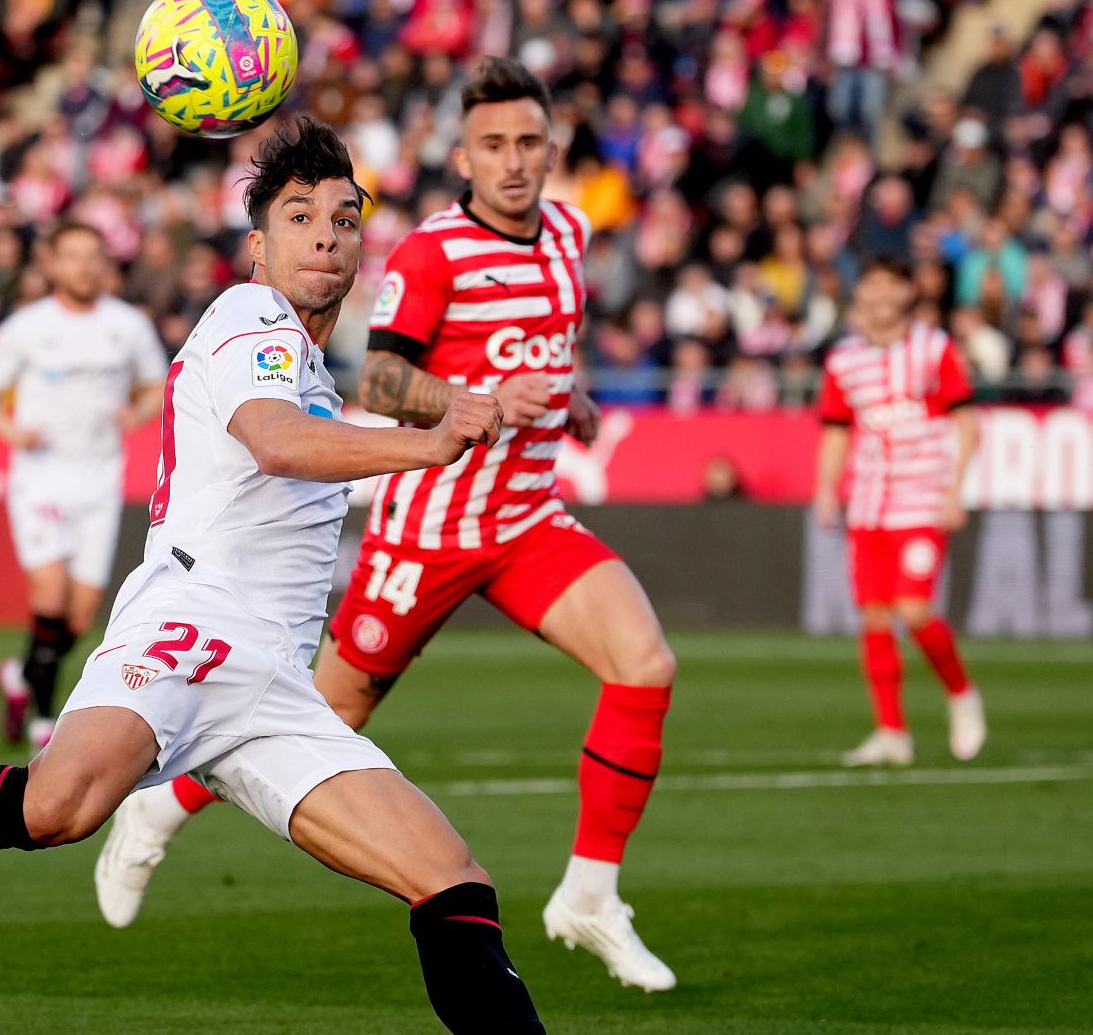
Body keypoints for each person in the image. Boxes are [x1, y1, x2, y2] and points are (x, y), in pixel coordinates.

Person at [0, 117, 546, 1034]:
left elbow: (303, 430)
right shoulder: (248, 316)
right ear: (259, 245)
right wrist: (430, 442)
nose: (327, 235)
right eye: (300, 217)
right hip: (190, 627)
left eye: (343, 218)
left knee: (453, 881)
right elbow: (276, 442)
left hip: (272, 686)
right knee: (58, 808)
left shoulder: (311, 365)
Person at [94, 58, 680, 994]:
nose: (514, 161)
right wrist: (479, 401)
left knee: (645, 666)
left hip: (525, 515)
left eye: (529, 142)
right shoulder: (432, 252)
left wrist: (566, 402)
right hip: (430, 528)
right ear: (462, 156)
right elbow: (381, 383)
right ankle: (158, 813)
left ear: (552, 150)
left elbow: (539, 354)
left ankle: (592, 896)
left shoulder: (569, 231)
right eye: (494, 145)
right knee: (321, 712)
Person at [0, 223, 168, 751]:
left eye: (92, 257)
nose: (83, 267)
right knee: (50, 597)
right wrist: (13, 432)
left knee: (79, 614)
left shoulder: (127, 326)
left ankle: (20, 674)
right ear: (52, 264)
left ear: (105, 265)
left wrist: (136, 411)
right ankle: (45, 719)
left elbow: (155, 387)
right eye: (72, 256)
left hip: (99, 481)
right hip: (42, 479)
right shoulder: (28, 328)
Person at [814, 255, 985, 768]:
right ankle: (891, 732)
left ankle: (961, 693)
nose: (881, 294)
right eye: (872, 283)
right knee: (874, 616)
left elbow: (967, 421)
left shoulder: (935, 349)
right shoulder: (843, 360)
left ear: (909, 292)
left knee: (913, 610)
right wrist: (826, 488)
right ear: (860, 291)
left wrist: (955, 489)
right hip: (868, 503)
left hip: (922, 498)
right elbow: (836, 429)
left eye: (892, 283)